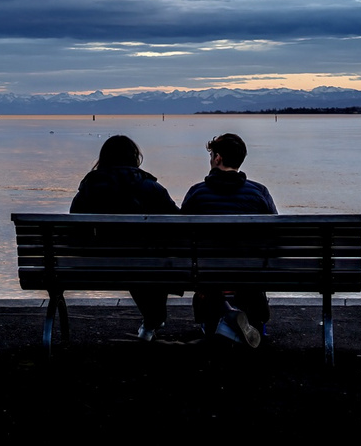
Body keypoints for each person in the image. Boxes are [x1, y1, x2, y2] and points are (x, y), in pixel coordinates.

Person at [70, 134, 179, 340]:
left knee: (131, 260)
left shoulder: (88, 188)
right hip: (148, 261)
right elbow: (178, 224)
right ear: (135, 158)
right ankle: (153, 319)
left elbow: (75, 232)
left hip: (101, 265)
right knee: (151, 257)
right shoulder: (151, 187)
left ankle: (152, 320)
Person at [180, 132, 276, 347]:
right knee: (247, 265)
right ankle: (246, 320)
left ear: (217, 158)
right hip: (250, 274)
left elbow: (181, 237)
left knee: (206, 269)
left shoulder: (197, 193)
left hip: (206, 274)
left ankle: (221, 319)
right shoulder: (259, 193)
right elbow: (274, 235)